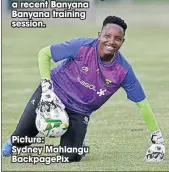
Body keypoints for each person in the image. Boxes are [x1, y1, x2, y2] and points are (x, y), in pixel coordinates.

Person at [2, 16, 165, 162]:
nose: (111, 41)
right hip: (52, 94)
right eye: (107, 36)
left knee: (70, 156)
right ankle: (11, 143)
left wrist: (156, 135)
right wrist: (46, 88)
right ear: (99, 35)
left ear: (123, 41)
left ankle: (79, 139)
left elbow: (142, 103)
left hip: (79, 111)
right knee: (21, 140)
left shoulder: (123, 71)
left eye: (117, 38)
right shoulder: (81, 46)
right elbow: (44, 54)